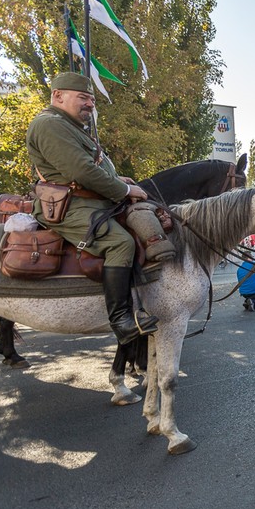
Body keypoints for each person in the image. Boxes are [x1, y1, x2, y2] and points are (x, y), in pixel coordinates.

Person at [26, 72, 158, 345]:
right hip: (70, 206)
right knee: (120, 242)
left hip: (92, 199)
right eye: (83, 97)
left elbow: (89, 167)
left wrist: (117, 179)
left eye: (92, 99)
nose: (90, 104)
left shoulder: (70, 126)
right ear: (58, 95)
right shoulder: (49, 124)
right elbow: (81, 170)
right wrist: (123, 190)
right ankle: (121, 320)